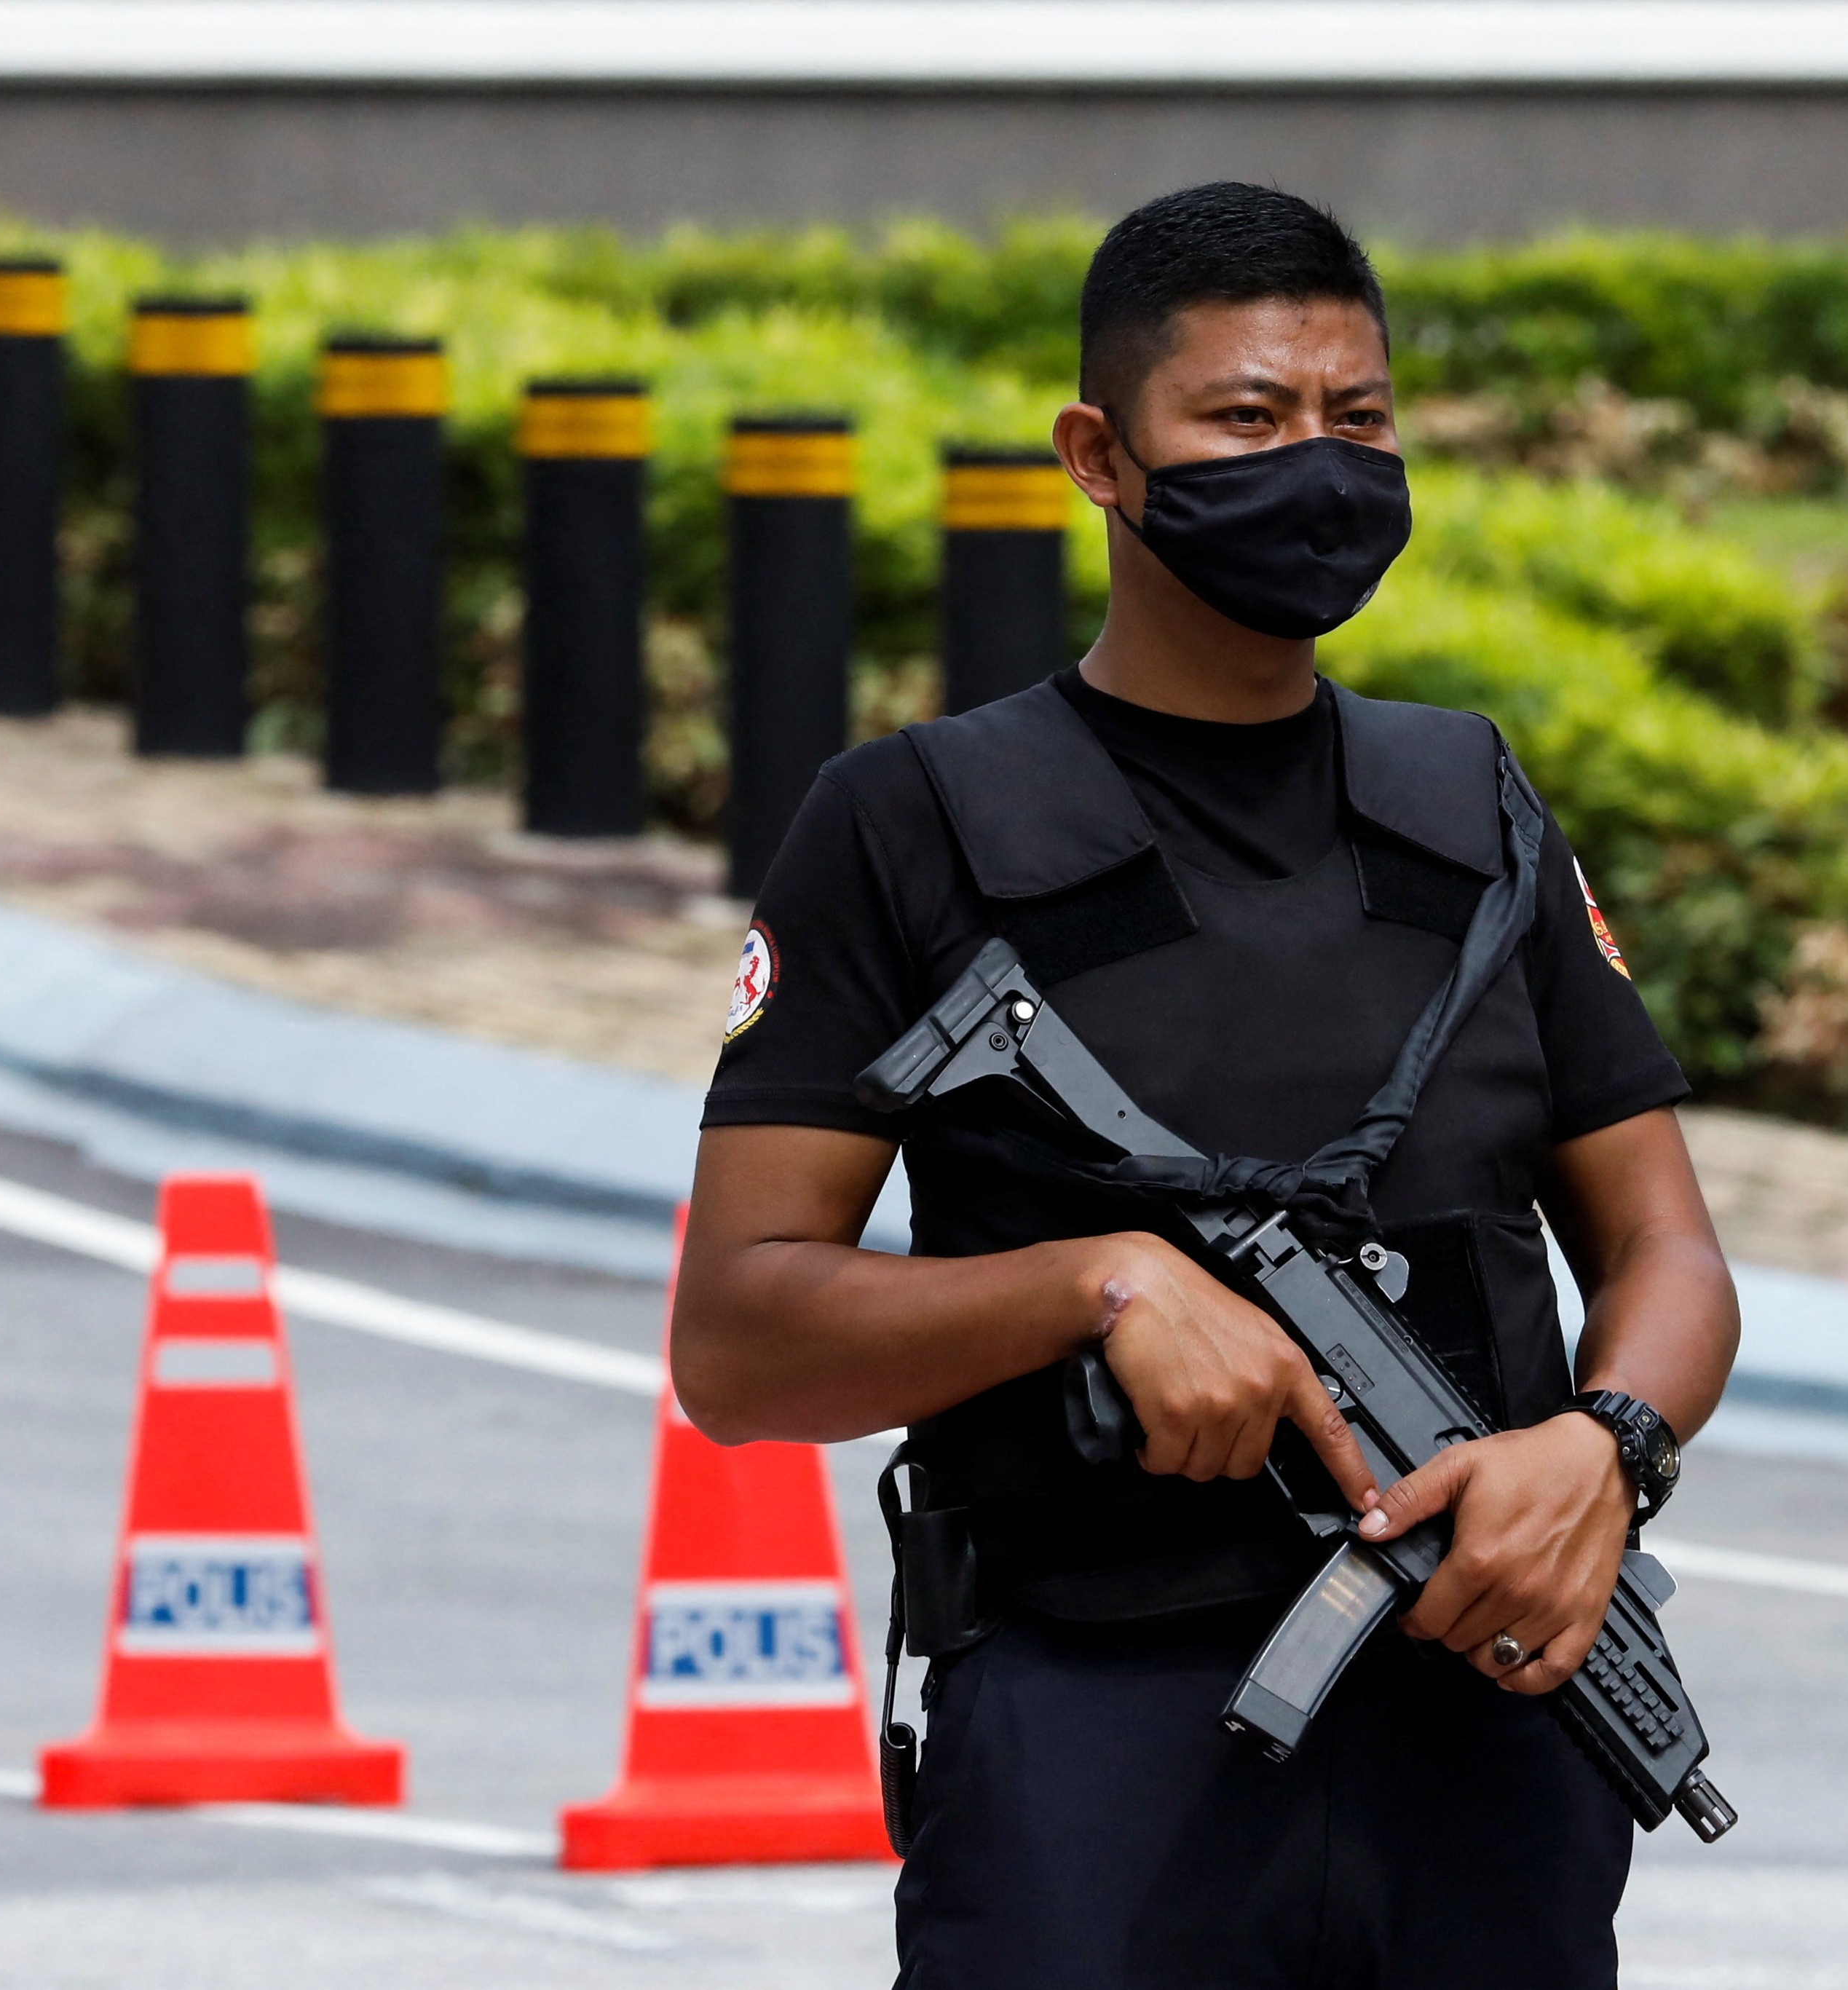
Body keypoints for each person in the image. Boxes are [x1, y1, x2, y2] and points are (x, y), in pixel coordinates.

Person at [674, 181, 1741, 1989]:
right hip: (1096, 1732)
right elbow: (738, 1341)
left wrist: (1603, 1447)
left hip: (1485, 1725)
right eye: (1246, 419)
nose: (1315, 464)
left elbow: (1667, 1253)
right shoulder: (911, 821)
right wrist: (1094, 1285)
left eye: (1358, 419)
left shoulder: (1469, 804)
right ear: (1099, 453)